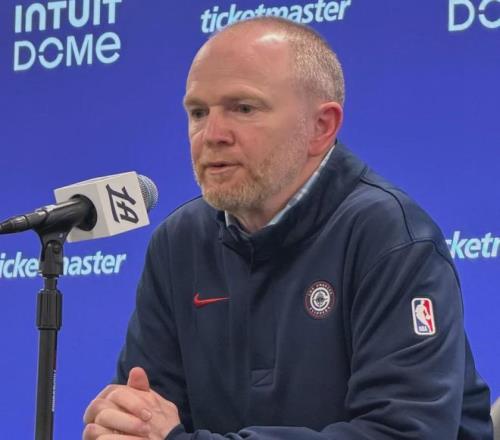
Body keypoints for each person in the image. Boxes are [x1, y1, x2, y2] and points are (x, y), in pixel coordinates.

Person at [82, 17, 493, 440]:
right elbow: (146, 414)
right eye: (198, 112)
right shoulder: (178, 241)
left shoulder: (391, 237)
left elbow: (404, 433)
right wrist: (122, 423)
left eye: (243, 108)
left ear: (321, 127)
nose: (211, 135)